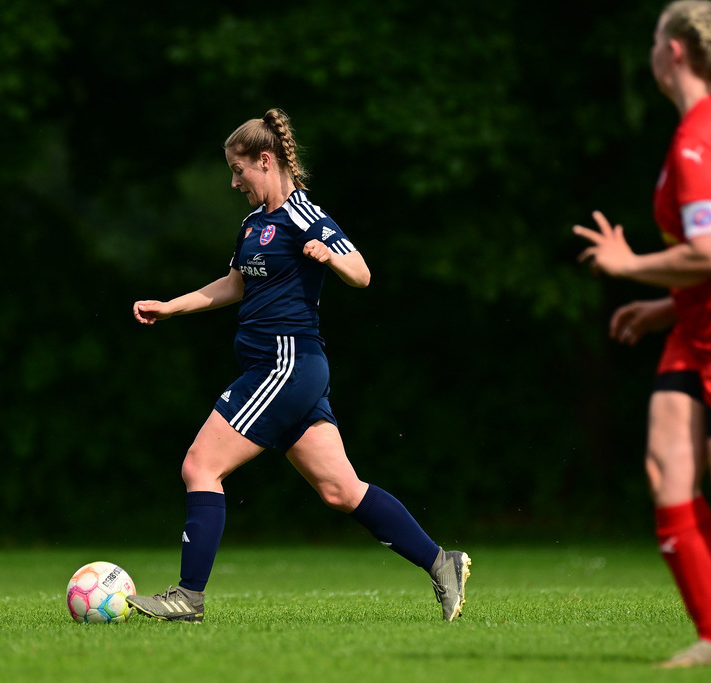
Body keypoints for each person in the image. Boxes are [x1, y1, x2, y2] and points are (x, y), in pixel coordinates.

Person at [128, 108, 471, 623]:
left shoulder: (303, 215)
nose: (233, 180)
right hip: (290, 370)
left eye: (239, 169)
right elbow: (234, 285)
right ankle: (442, 562)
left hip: (283, 366)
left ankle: (188, 597)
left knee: (200, 466)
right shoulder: (253, 225)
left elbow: (362, 272)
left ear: (265, 161)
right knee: (341, 491)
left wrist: (330, 257)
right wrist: (170, 306)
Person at [574, 1, 711, 668]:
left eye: (654, 41)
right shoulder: (707, 125)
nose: (651, 53)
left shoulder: (701, 135)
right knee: (667, 464)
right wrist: (666, 309)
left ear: (675, 53)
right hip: (699, 322)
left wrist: (629, 266)